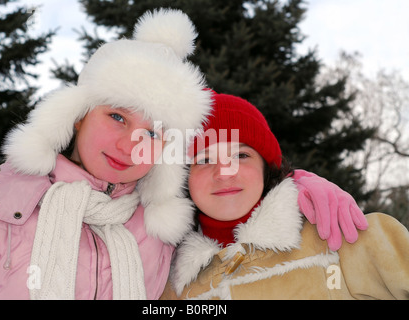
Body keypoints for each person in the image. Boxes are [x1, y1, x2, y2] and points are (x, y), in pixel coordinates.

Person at [0, 9, 367, 300]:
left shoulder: (165, 233)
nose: (128, 145)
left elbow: (233, 204)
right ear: (78, 115)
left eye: (153, 132)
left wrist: (296, 184)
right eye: (117, 115)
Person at [161, 92, 409, 300]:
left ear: (266, 167)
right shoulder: (166, 285)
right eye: (204, 159)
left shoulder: (343, 238)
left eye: (241, 155)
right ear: (183, 176)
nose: (224, 173)